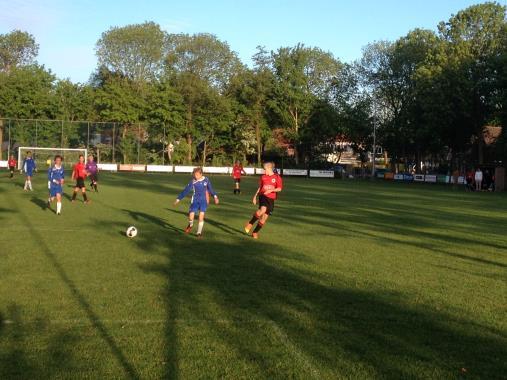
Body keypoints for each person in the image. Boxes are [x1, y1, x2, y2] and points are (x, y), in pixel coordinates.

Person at [174, 167, 219, 237]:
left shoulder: (206, 180)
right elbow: (186, 191)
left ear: (201, 174)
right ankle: (190, 224)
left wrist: (215, 197)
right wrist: (178, 199)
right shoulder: (193, 182)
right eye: (194, 175)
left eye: (197, 175)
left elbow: (211, 189)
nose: (195, 176)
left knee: (201, 217)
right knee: (191, 216)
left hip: (203, 201)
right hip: (195, 200)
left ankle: (199, 233)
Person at [244, 161, 283, 239]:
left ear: (269, 168)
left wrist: (271, 190)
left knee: (264, 218)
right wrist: (255, 196)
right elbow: (260, 187)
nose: (264, 171)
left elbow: (279, 189)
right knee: (262, 209)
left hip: (271, 199)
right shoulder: (263, 177)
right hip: (263, 196)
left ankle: (255, 232)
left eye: (265, 169)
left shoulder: (277, 177)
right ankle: (250, 223)